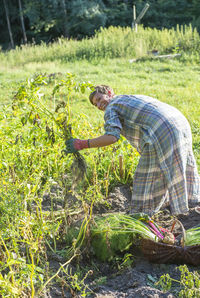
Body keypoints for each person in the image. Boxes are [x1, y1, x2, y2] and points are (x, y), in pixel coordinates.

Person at [66, 85, 200, 216]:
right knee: (174, 165)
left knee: (146, 176)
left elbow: (112, 137)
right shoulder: (128, 98)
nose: (100, 105)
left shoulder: (111, 107)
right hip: (179, 122)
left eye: (100, 99)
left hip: (162, 130)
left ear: (109, 92)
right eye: (96, 105)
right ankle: (189, 204)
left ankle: (143, 213)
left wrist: (82, 144)